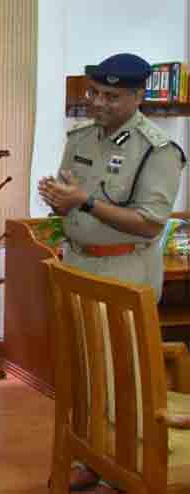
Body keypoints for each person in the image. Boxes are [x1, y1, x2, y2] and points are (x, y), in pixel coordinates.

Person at [38, 53, 186, 494]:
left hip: (124, 274)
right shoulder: (81, 137)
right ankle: (92, 457)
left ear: (138, 97)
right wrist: (59, 200)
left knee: (125, 377)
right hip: (79, 266)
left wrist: (83, 201)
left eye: (111, 96)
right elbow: (70, 200)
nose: (98, 102)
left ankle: (129, 467)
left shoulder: (157, 150)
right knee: (87, 373)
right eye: (95, 93)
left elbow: (149, 223)